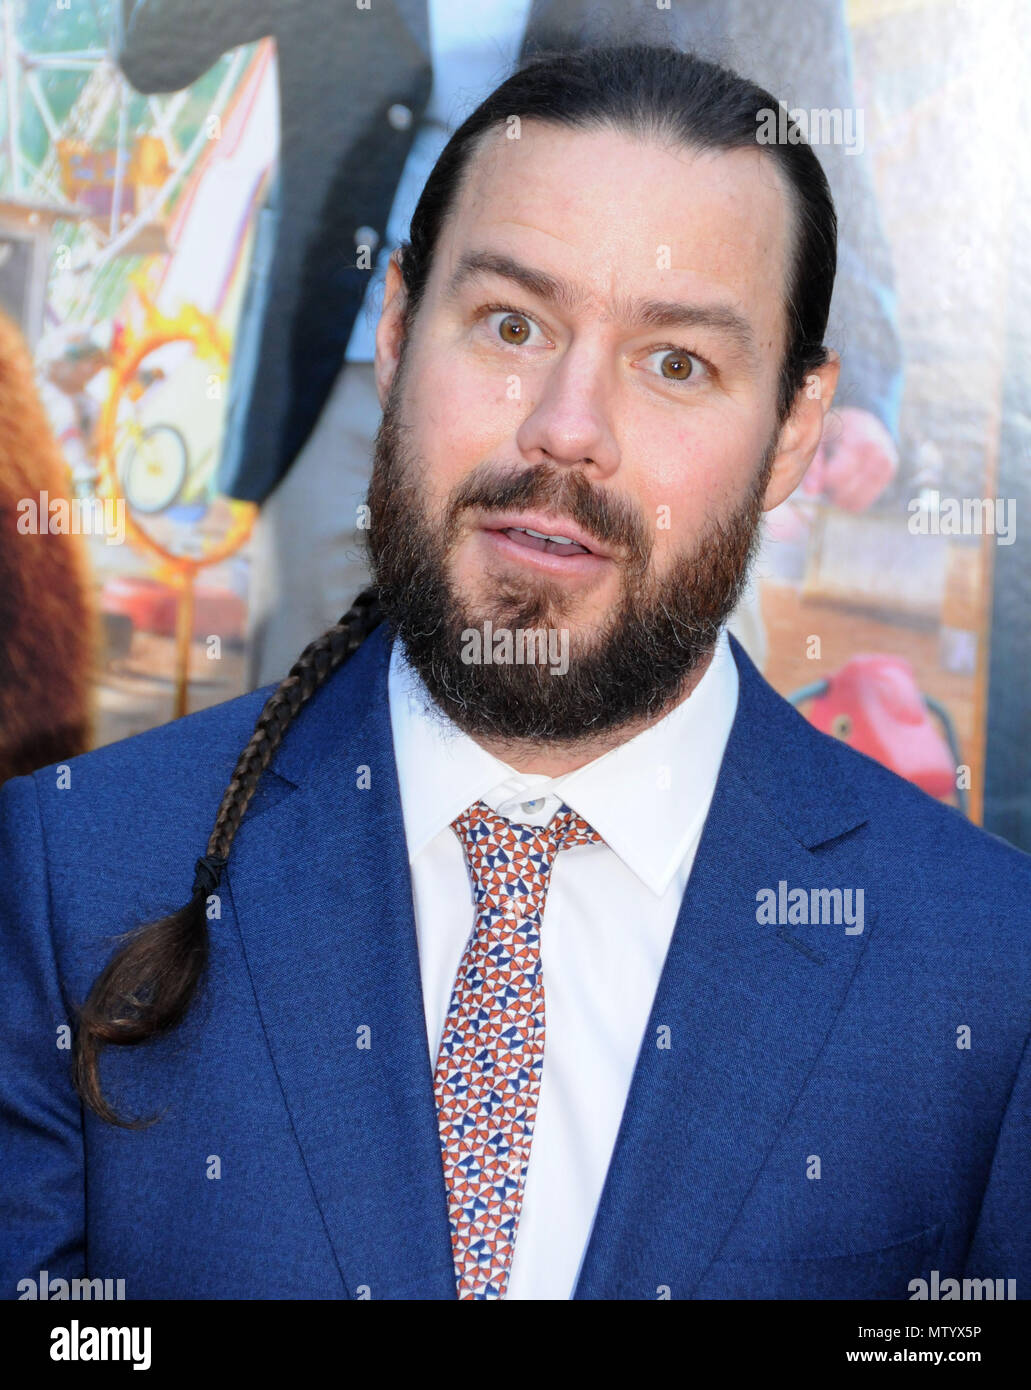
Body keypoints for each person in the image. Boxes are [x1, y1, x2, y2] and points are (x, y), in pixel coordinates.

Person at [2, 46, 1027, 1302]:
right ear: (393, 330)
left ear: (791, 433)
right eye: (510, 323)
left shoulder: (988, 963)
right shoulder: (70, 873)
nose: (567, 424)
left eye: (675, 363)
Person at [115, 0, 903, 687]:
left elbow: (817, 132)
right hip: (347, 363)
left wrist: (863, 385)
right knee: (313, 706)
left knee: (666, 687)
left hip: (641, 378)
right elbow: (155, 47)